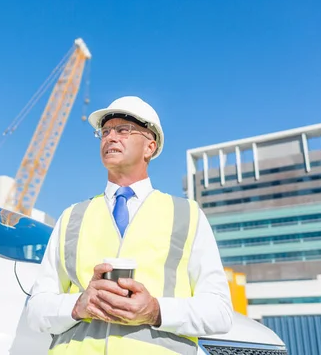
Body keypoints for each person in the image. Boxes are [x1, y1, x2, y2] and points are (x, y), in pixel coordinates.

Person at [25, 96, 233, 354]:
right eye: (105, 132)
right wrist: (79, 305)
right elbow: (35, 310)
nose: (110, 137)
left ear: (150, 147)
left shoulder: (188, 215)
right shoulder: (71, 217)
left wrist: (155, 311)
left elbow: (220, 312)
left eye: (123, 130)